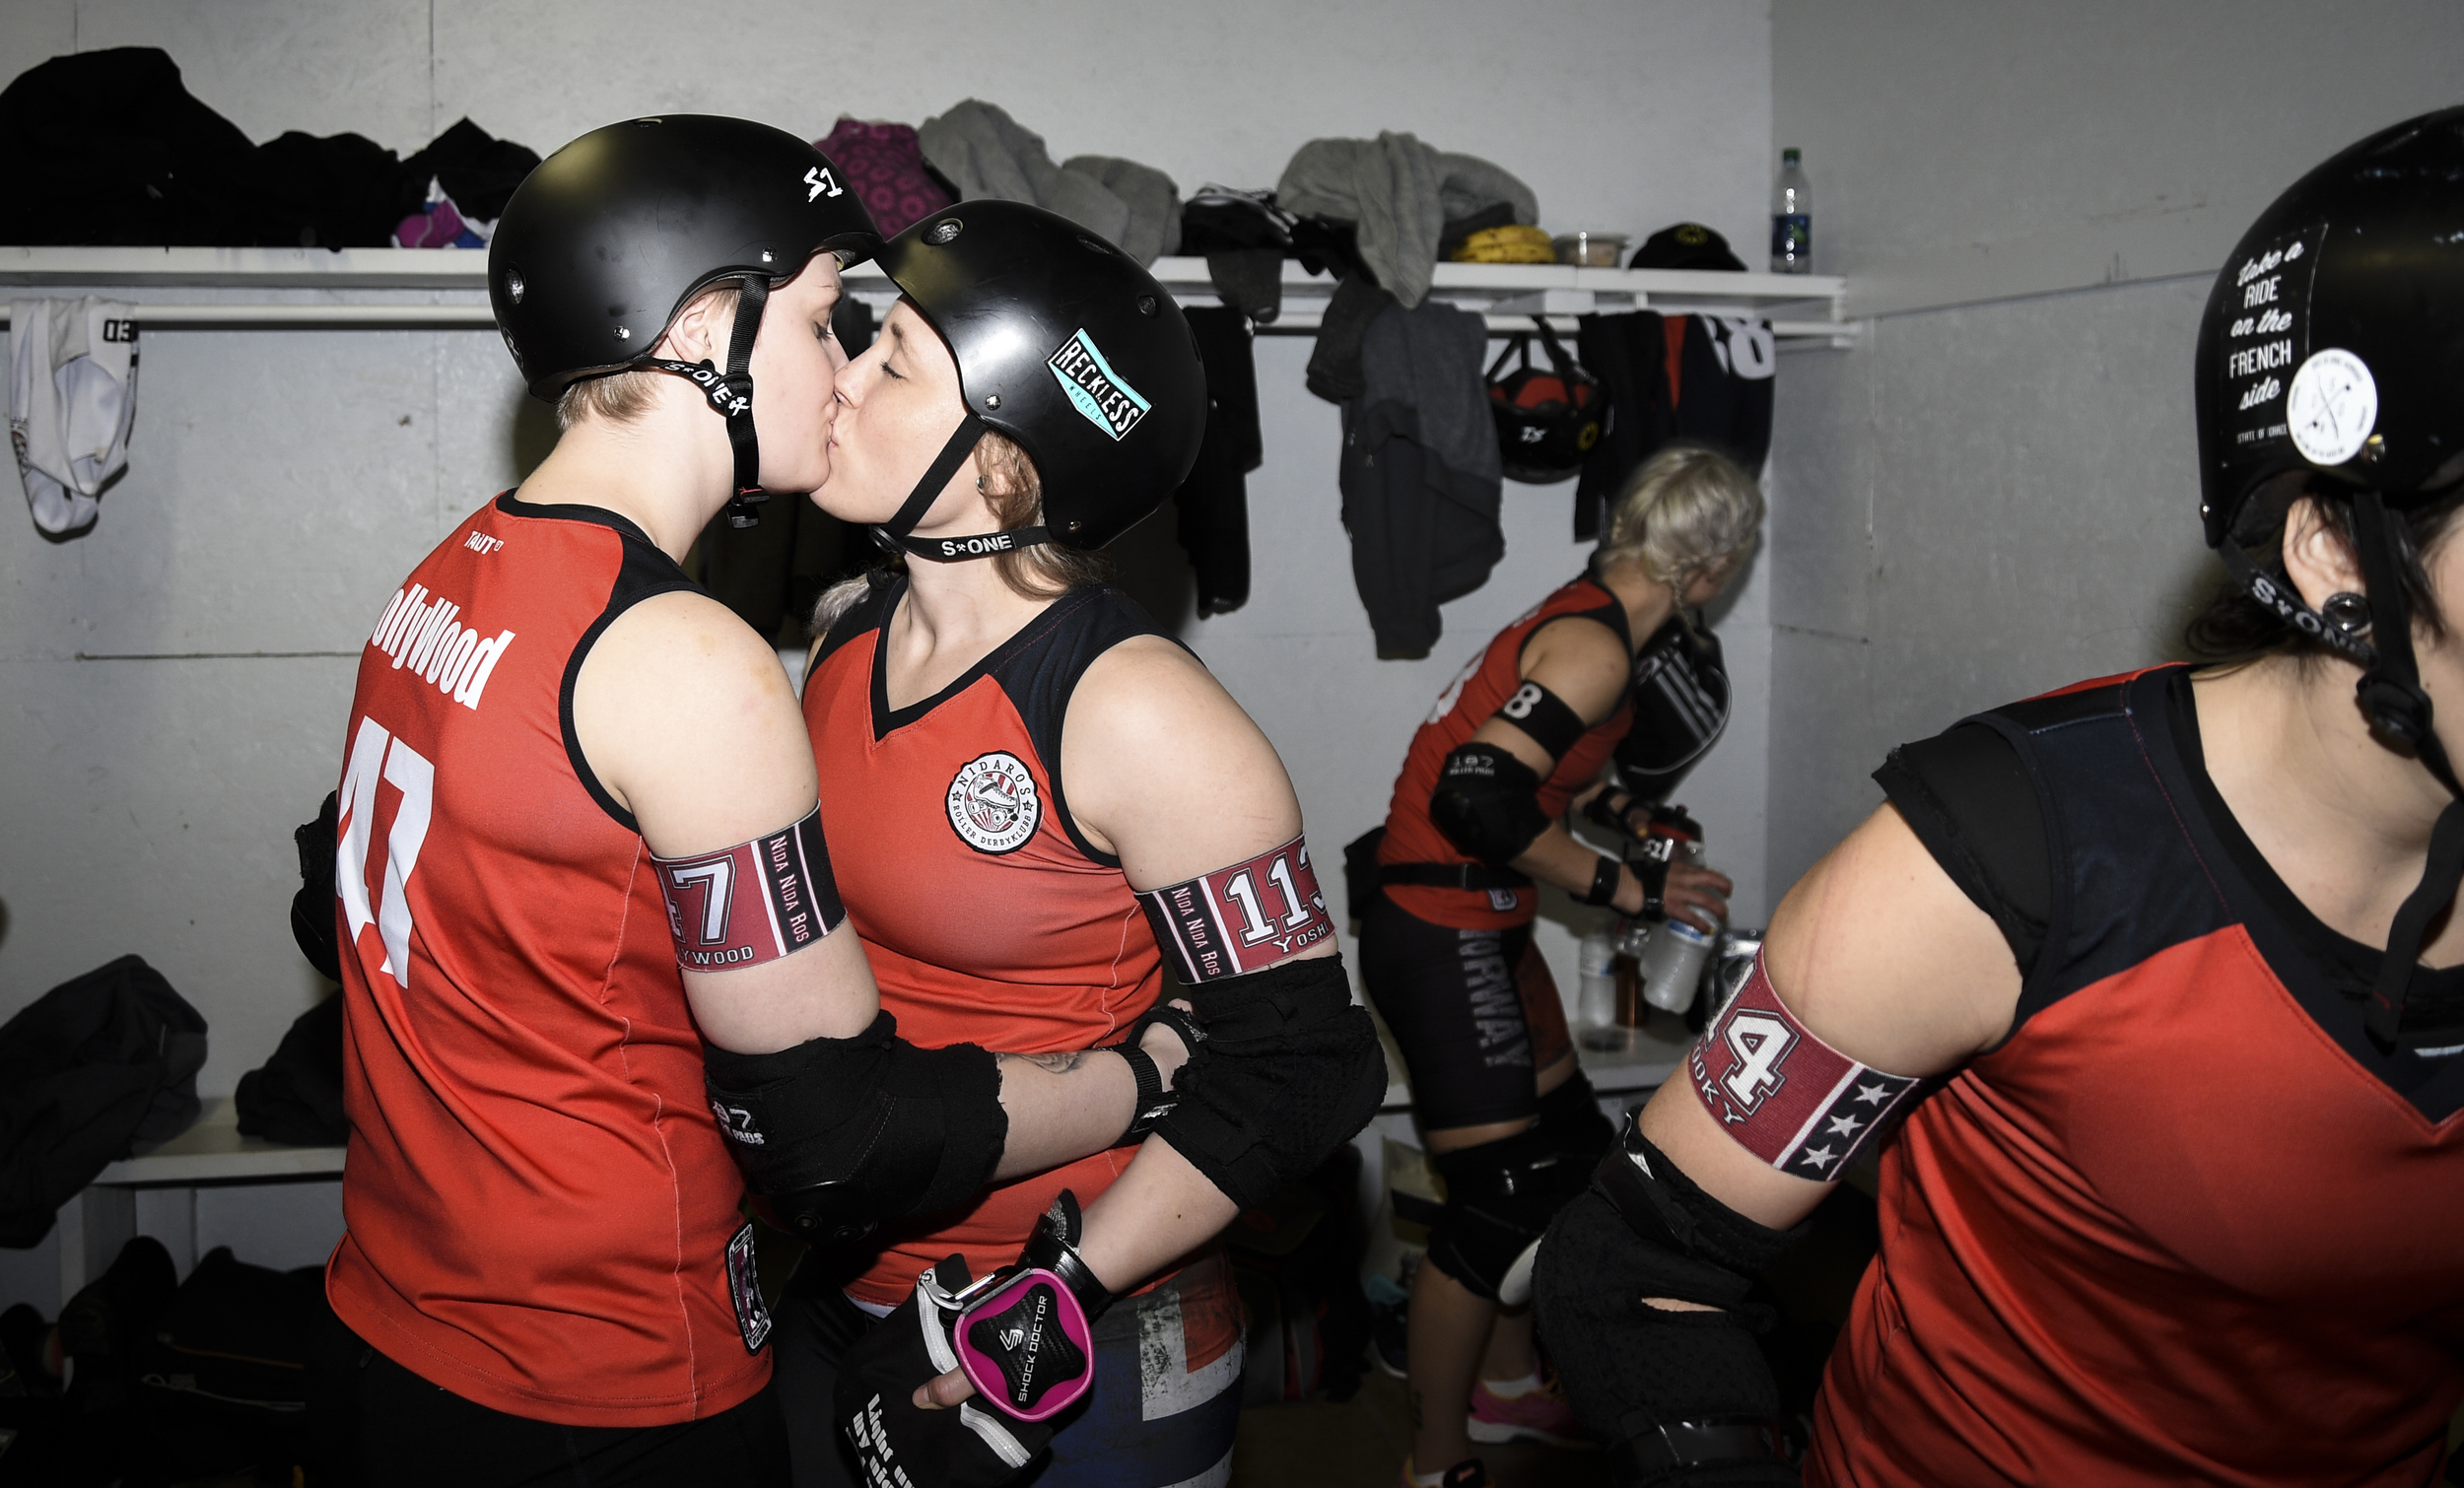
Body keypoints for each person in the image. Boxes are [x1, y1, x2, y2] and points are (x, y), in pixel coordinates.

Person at [1536, 104, 2464, 1486]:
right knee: (1505, 1197)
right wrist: (1626, 886)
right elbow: (1631, 1270)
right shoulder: (2008, 851)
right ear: (2337, 549)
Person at [323, 119, 1198, 1486]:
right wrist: (1146, 1074)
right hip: (601, 1372)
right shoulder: (683, 660)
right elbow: (836, 1139)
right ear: (700, 331)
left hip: (400, 1319)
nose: (847, 373)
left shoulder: (446, 576)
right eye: (827, 322)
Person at [764, 199, 1389, 1488]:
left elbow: (1308, 1067)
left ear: (1004, 467)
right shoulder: (846, 632)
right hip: (840, 1291)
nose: (842, 375)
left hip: (1070, 1322)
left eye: (892, 363)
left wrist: (1047, 1295)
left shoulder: (1135, 709)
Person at [1362, 442, 1764, 1488]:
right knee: (1499, 1197)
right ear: (1711, 570)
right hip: (1435, 920)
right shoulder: (1595, 646)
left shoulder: (1591, 614)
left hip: (1477, 921)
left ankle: (1501, 1387)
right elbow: (1474, 801)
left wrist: (1634, 823)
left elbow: (1550, 782)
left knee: (1571, 1153)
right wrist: (1630, 891)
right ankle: (1435, 1457)